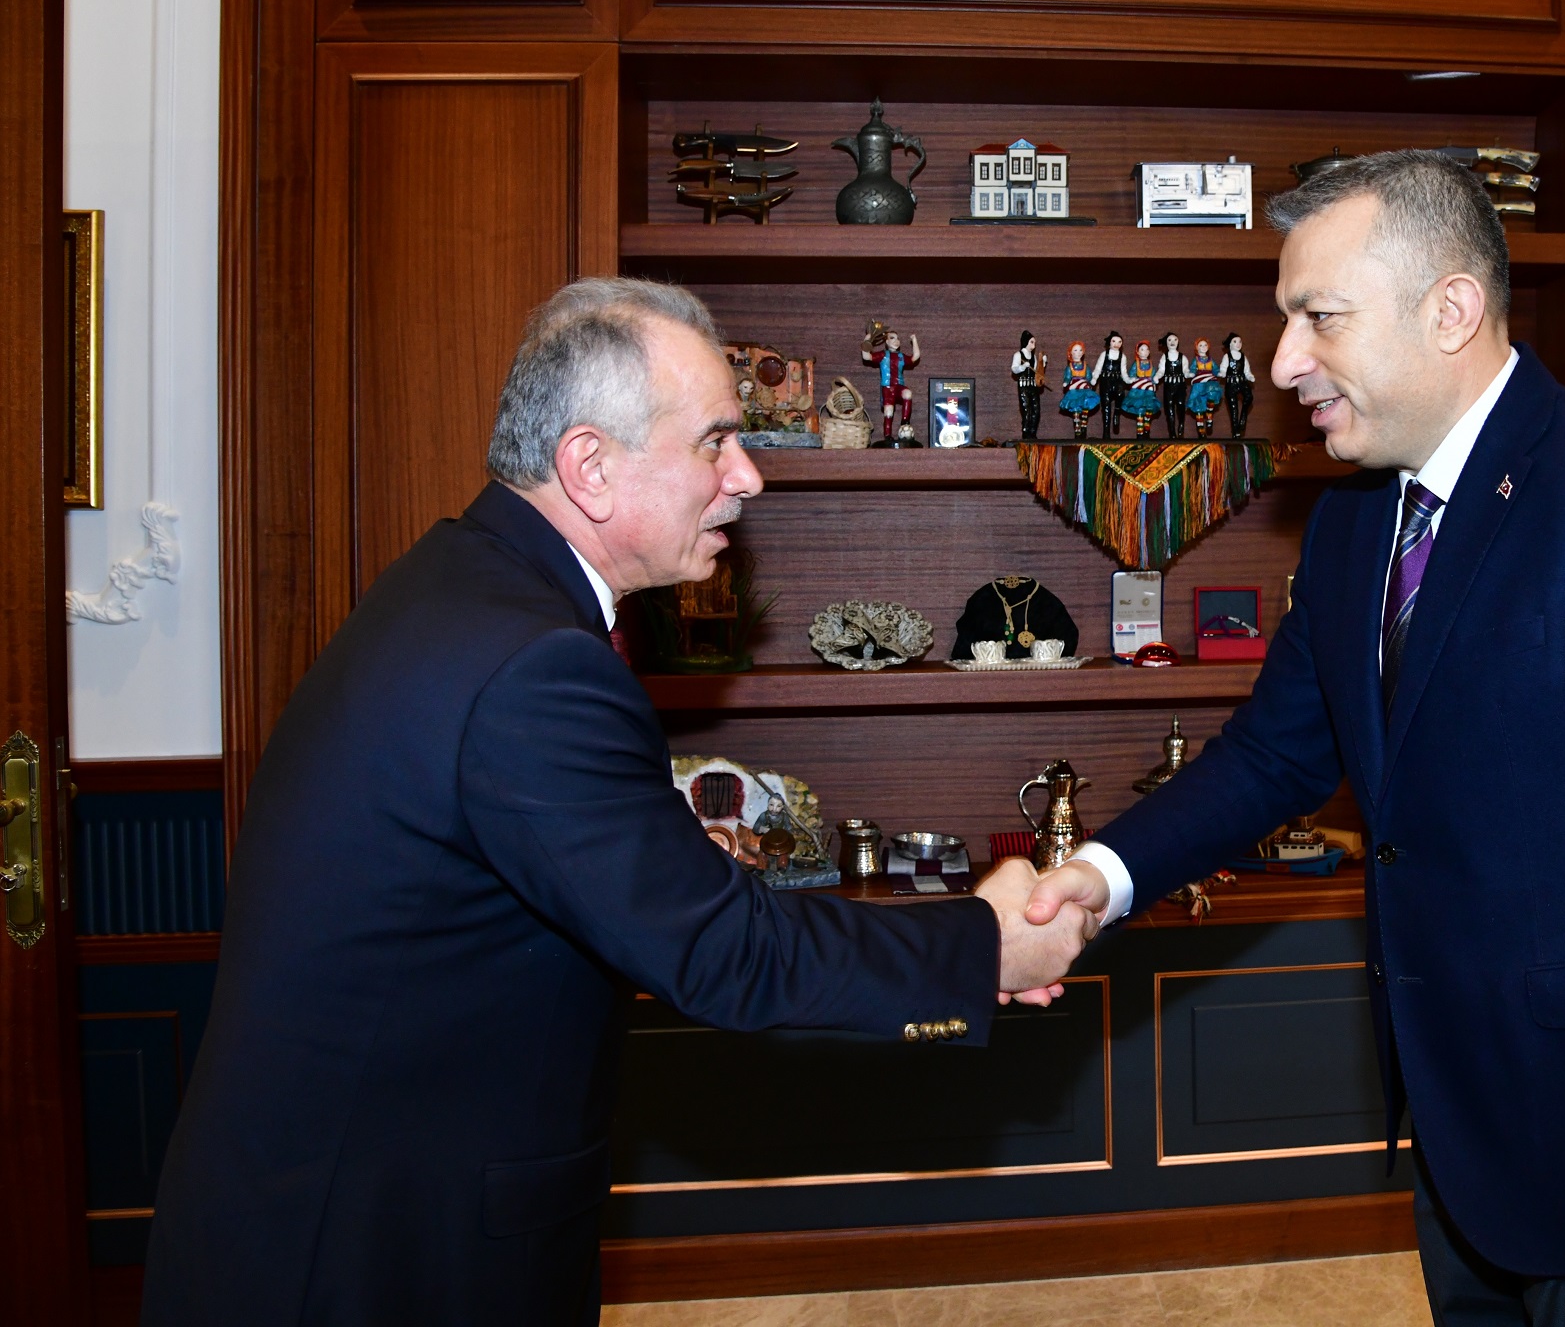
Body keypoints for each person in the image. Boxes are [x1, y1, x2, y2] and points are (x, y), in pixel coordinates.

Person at [141, 278, 1092, 1327]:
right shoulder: (533, 664)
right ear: (589, 466)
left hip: (331, 1217)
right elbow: (722, 951)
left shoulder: (462, 586)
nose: (748, 476)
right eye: (715, 441)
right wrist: (985, 946)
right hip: (372, 1259)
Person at [1026, 152, 1565, 1325]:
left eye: (1319, 317)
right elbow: (1274, 755)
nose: (1282, 362)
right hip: (1460, 1127)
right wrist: (1098, 879)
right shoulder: (1358, 517)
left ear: (1450, 309)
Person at [1120, 339, 1163, 438]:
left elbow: (1153, 375)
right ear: (1138, 352)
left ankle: (1147, 430)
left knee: (1148, 410)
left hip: (1148, 392)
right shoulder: (1136, 364)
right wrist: (1132, 379)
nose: (1145, 351)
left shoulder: (1150, 364)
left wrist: (1154, 381)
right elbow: (1132, 374)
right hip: (1138, 391)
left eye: (1147, 349)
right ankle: (1140, 433)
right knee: (1139, 410)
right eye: (1142, 349)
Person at [1057, 340, 1100, 438]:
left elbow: (1088, 376)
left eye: (1080, 350)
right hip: (1074, 390)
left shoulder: (1085, 366)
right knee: (1075, 409)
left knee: (1085, 407)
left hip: (1084, 389)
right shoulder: (1070, 367)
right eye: (1075, 350)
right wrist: (1066, 382)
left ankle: (1084, 428)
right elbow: (1067, 376)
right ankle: (1077, 430)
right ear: (1071, 353)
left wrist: (1092, 380)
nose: (1078, 352)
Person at [1092, 330, 1129, 438]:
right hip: (1106, 381)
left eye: (1119, 342)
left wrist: (1128, 380)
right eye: (1114, 341)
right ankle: (1106, 432)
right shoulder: (1104, 355)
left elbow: (1124, 372)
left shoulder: (1123, 356)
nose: (1116, 344)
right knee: (1106, 406)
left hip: (1117, 381)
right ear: (1109, 342)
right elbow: (1098, 368)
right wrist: (1094, 378)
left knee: (1120, 395)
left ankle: (1117, 412)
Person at [1185, 336, 1224, 439]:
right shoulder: (1196, 360)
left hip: (1209, 382)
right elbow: (1193, 369)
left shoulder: (1210, 360)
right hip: (1199, 384)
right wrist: (1191, 373)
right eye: (1200, 345)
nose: (1203, 347)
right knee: (1199, 406)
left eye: (1205, 345)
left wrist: (1219, 373)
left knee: (1212, 396)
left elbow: (1215, 369)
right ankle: (1200, 429)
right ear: (1197, 348)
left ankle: (1209, 417)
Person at [1220, 331, 1255, 437]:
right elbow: (1223, 367)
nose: (1238, 344)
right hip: (1231, 384)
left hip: (1242, 382)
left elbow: (1247, 371)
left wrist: (1250, 376)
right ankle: (1236, 431)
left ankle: (1243, 417)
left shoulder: (1243, 357)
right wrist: (1222, 373)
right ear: (1230, 344)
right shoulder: (1227, 357)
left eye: (1240, 341)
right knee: (1233, 408)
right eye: (1235, 341)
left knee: (1249, 397)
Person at [1011, 329, 1044, 439]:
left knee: (1036, 410)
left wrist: (1042, 363)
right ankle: (1026, 433)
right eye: (1031, 342)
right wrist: (1022, 367)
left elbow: (1037, 372)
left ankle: (1033, 432)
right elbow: (1014, 369)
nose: (1033, 345)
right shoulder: (1018, 355)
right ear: (1026, 341)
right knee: (1026, 410)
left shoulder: (1033, 357)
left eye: (1034, 342)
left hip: (1033, 386)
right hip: (1023, 387)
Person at [1158, 331, 1190, 439]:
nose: (1172, 342)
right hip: (1168, 386)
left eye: (1175, 340)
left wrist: (1188, 374)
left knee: (1181, 405)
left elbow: (1185, 370)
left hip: (1180, 385)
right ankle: (1172, 432)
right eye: (1170, 340)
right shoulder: (1164, 357)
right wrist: (1157, 376)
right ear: (1166, 342)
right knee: (1169, 409)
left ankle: (1181, 424)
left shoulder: (1182, 357)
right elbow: (1161, 370)